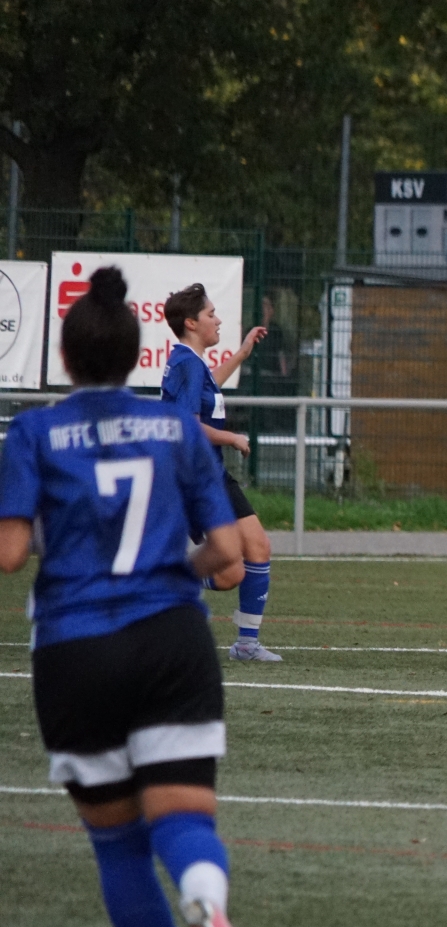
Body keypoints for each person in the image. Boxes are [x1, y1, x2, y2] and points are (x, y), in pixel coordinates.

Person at [0, 267, 256, 927]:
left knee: (117, 844)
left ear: (70, 362)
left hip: (76, 648)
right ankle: (208, 900)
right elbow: (224, 551)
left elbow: (11, 554)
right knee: (183, 819)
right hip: (171, 642)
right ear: (138, 354)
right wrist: (166, 574)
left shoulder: (33, 434)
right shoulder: (174, 430)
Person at [160, 283, 278, 661]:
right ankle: (161, 581)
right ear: (192, 323)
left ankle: (246, 643)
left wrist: (242, 353)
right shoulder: (186, 364)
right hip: (196, 475)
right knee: (235, 568)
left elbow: (208, 390)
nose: (218, 319)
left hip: (209, 473)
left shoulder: (191, 363)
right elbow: (188, 425)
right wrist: (232, 438)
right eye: (211, 314)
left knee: (247, 559)